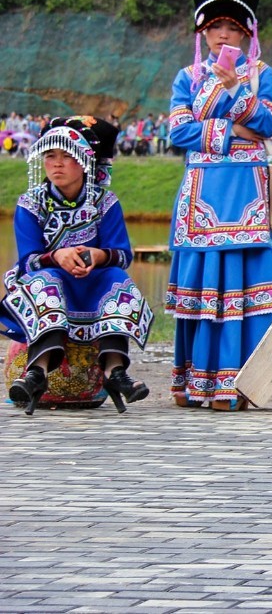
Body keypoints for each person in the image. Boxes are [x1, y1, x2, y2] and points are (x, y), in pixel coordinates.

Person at [165, 0, 272, 411]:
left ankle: (240, 383)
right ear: (203, 33)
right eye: (216, 26)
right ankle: (198, 383)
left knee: (242, 282)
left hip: (247, 194)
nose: (224, 34)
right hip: (202, 196)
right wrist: (235, 131)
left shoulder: (263, 75)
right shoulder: (187, 77)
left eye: (233, 27)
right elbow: (176, 132)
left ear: (246, 34)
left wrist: (234, 91)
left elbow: (269, 124)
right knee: (206, 287)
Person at [2, 117, 153, 414]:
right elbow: (29, 259)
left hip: (92, 280)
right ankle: (37, 372)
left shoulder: (104, 201)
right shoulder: (30, 203)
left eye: (67, 157)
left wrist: (97, 257)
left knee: (116, 279)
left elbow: (122, 255)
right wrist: (57, 256)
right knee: (45, 281)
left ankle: (115, 371)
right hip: (48, 280)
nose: (57, 164)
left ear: (84, 161)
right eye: (50, 157)